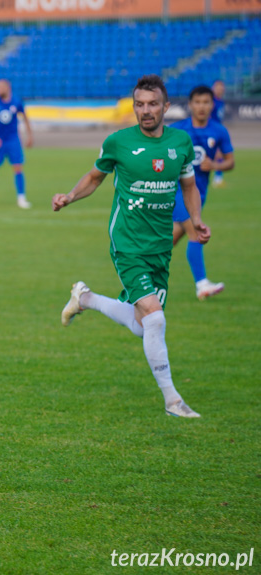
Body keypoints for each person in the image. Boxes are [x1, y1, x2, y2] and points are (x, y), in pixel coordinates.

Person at [52, 74, 209, 418]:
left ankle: (86, 298)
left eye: (153, 104)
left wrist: (195, 220)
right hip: (127, 243)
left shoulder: (180, 143)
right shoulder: (119, 142)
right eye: (139, 104)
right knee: (154, 318)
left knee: (141, 326)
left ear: (166, 107)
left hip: (159, 247)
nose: (145, 110)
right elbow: (95, 177)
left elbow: (189, 186)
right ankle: (173, 401)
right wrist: (69, 196)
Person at [170, 85, 234, 300]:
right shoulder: (177, 129)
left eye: (206, 102)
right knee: (196, 232)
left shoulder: (219, 130)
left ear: (212, 105)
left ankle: (142, 272)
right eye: (197, 102)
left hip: (200, 194)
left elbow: (230, 162)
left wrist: (215, 166)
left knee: (171, 238)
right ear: (190, 105)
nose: (201, 107)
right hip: (177, 192)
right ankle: (202, 284)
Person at [0, 79, 33, 210]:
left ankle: (21, 198)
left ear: (7, 88)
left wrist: (29, 135)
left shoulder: (16, 101)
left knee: (18, 168)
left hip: (13, 140)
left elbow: (25, 117)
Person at [211, 80, 227, 187]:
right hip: (212, 131)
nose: (220, 89)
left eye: (222, 87)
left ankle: (218, 178)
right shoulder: (211, 101)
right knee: (218, 154)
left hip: (218, 131)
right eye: (218, 87)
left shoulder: (221, 101)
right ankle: (217, 179)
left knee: (219, 154)